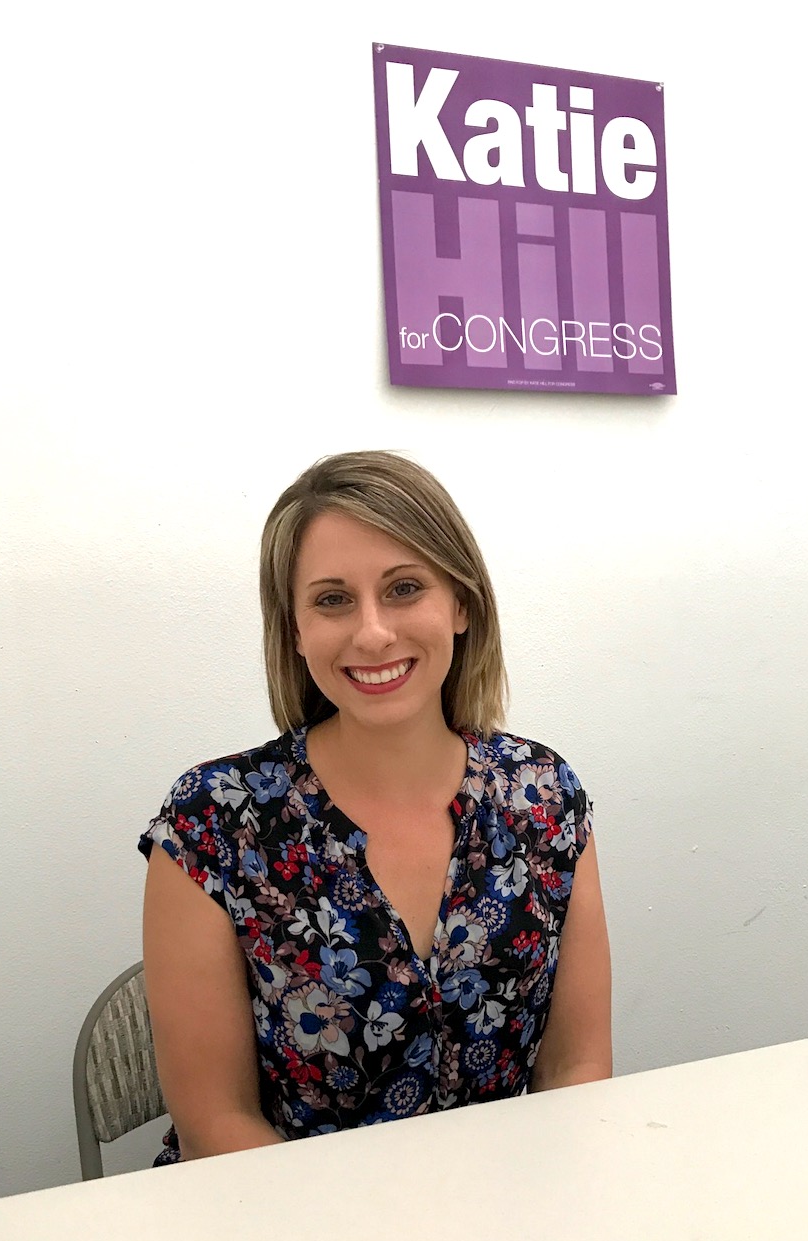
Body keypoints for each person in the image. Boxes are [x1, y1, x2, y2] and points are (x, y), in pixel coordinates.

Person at [140, 451, 612, 1162]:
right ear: (295, 631)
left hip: (501, 1220)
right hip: (278, 1232)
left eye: (403, 588)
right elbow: (216, 1122)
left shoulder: (543, 797)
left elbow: (574, 1071)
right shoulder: (212, 822)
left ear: (460, 603)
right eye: (332, 600)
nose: (371, 633)